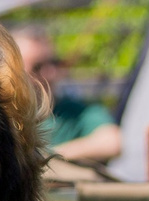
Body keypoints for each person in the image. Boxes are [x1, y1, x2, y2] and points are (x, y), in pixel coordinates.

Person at [13, 29, 122, 165]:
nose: (51, 74)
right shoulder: (2, 115)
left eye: (53, 63)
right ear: (11, 72)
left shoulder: (76, 112)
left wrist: (47, 157)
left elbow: (112, 142)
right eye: (37, 67)